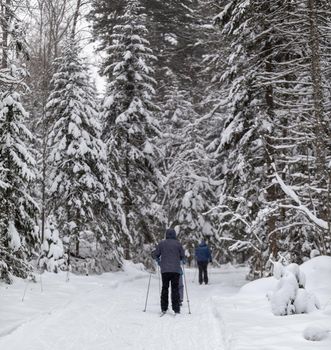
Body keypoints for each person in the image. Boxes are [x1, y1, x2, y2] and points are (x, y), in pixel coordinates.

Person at [152, 228, 185, 314]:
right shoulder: (178, 244)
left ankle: (164, 308)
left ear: (166, 234)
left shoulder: (162, 244)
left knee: (165, 288)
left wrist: (159, 261)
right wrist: (182, 260)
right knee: (175, 288)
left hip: (165, 270)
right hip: (176, 270)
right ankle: (176, 308)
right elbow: (182, 256)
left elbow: (155, 255)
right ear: (174, 235)